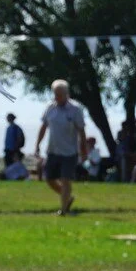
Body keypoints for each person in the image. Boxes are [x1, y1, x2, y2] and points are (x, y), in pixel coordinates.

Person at [34, 79, 87, 215]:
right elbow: (44, 127)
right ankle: (67, 198)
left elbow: (81, 131)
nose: (57, 97)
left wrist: (83, 149)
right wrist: (38, 144)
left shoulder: (75, 109)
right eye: (56, 94)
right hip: (53, 151)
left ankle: (63, 210)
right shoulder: (50, 108)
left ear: (66, 94)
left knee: (65, 180)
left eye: (60, 95)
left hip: (70, 152)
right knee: (49, 179)